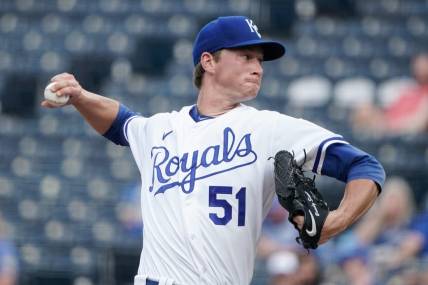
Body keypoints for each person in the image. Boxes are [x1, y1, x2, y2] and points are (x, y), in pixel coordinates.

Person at [42, 16, 385, 285]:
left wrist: (337, 222)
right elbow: (122, 123)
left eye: (260, 60)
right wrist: (81, 97)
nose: (258, 67)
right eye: (246, 56)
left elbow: (366, 168)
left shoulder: (271, 129)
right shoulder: (161, 130)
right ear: (208, 61)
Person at [352, 52, 428, 136]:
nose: (420, 68)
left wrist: (390, 126)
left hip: (403, 132)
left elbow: (418, 123)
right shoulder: (409, 89)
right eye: (418, 65)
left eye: (424, 64)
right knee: (363, 109)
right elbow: (390, 113)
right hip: (389, 125)